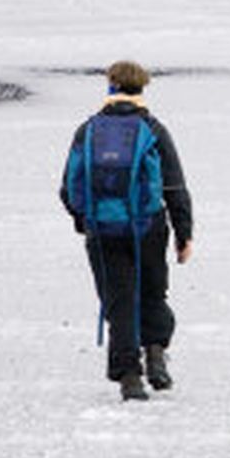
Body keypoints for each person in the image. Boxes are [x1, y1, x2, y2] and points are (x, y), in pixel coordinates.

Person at [60, 60, 194, 401]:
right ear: (142, 88)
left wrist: (85, 221)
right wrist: (183, 233)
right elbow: (175, 186)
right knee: (152, 292)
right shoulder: (153, 128)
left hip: (102, 231)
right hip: (147, 227)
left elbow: (68, 187)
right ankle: (155, 355)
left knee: (119, 300)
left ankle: (129, 377)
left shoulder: (88, 130)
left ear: (111, 86)